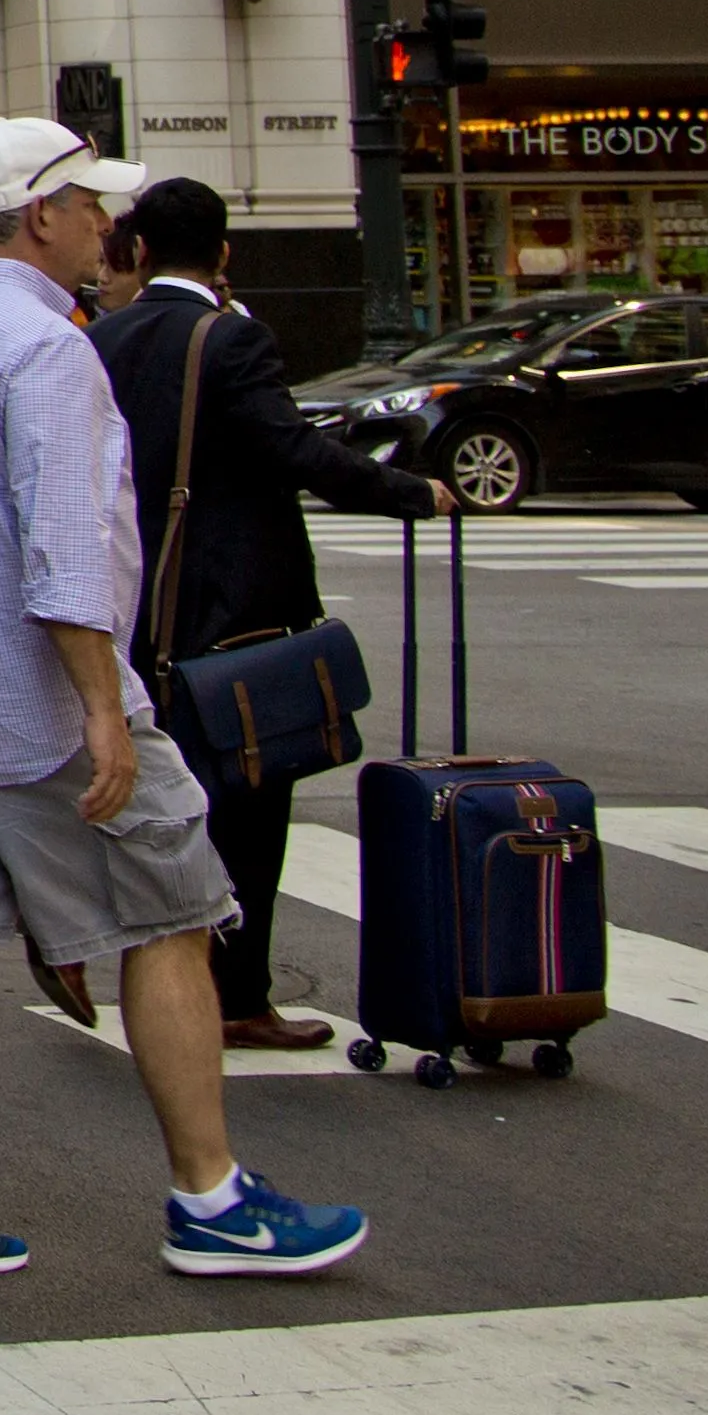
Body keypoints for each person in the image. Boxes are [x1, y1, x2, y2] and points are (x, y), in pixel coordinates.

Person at [0, 119, 367, 1284]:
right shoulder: (47, 350)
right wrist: (102, 706)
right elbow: (66, 550)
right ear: (40, 215)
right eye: (91, 204)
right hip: (35, 699)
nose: (108, 226)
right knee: (172, 918)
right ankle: (211, 1197)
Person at [89, 180, 445, 1046]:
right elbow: (293, 451)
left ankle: (148, 975)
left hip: (135, 603)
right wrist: (411, 491)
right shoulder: (231, 337)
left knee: (165, 806)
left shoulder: (101, 339)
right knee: (249, 807)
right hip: (233, 610)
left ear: (135, 253)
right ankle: (237, 997)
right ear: (224, 253)